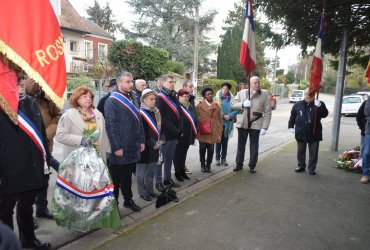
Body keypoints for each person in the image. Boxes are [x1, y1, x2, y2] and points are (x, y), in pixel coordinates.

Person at [0, 75, 51, 249]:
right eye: (17, 80)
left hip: (32, 165)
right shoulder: (1, 103)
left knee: (27, 206)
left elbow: (41, 133)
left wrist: (46, 161)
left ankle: (28, 240)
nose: (22, 83)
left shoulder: (31, 102)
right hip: (8, 170)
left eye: (23, 79)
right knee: (5, 211)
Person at [104, 71, 145, 212]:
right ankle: (113, 207)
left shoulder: (132, 97)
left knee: (127, 177)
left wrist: (141, 140)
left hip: (132, 145)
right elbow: (111, 125)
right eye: (128, 81)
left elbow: (138, 120)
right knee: (116, 179)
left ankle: (128, 200)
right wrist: (116, 146)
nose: (131, 84)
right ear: (119, 83)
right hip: (120, 147)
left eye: (132, 81)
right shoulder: (111, 100)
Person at [25, 79, 61, 221]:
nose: (37, 85)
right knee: (27, 184)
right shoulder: (19, 98)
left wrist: (46, 135)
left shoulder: (47, 99)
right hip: (25, 148)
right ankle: (27, 217)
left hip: (45, 146)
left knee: (44, 179)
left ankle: (42, 209)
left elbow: (57, 117)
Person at [56, 86, 111, 162]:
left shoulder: (98, 114)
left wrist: (107, 151)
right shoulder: (69, 115)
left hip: (97, 157)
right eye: (85, 96)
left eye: (90, 97)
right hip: (77, 160)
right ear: (77, 98)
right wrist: (80, 140)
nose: (88, 99)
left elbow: (104, 133)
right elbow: (60, 136)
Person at [231, 76, 272, 173]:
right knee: (241, 145)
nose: (257, 84)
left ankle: (252, 165)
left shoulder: (264, 95)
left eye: (258, 82)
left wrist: (265, 127)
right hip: (243, 123)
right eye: (255, 83)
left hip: (256, 122)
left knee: (254, 145)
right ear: (250, 84)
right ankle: (239, 164)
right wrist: (243, 104)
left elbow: (268, 112)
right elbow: (233, 105)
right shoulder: (242, 93)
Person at [288, 88, 328, 175]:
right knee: (301, 151)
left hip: (314, 132)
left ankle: (312, 168)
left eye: (310, 95)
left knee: (313, 152)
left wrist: (320, 106)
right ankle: (301, 166)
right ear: (304, 94)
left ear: (314, 95)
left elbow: (325, 114)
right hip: (301, 131)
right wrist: (290, 126)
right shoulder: (298, 104)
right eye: (307, 94)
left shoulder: (318, 104)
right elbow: (292, 116)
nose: (308, 97)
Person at [155, 74, 182, 191]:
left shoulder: (173, 96)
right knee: (160, 160)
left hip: (174, 134)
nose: (172, 84)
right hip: (164, 134)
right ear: (163, 82)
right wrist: (175, 130)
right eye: (170, 82)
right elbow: (162, 117)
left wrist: (180, 128)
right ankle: (158, 182)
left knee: (169, 159)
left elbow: (179, 113)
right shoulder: (159, 98)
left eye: (173, 82)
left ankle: (167, 179)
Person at [137, 89, 163, 201]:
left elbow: (160, 128)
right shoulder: (140, 113)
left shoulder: (155, 112)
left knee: (151, 171)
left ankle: (150, 190)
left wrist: (161, 140)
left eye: (154, 99)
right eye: (151, 99)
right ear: (143, 100)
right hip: (144, 148)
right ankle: (142, 193)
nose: (153, 101)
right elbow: (141, 132)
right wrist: (153, 143)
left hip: (155, 148)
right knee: (141, 173)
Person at [196, 87, 222, 173]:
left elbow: (219, 118)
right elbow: (195, 118)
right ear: (204, 96)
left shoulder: (217, 105)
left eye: (211, 94)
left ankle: (208, 164)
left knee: (211, 149)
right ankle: (202, 165)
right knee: (202, 148)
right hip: (202, 131)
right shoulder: (199, 105)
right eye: (208, 94)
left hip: (213, 131)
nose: (210, 96)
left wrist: (219, 129)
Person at [174, 89, 198, 181]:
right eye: (185, 96)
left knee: (184, 154)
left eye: (188, 96)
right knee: (178, 155)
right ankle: (177, 172)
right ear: (179, 97)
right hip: (180, 135)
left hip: (189, 134)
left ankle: (182, 171)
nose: (187, 98)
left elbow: (194, 119)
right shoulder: (177, 106)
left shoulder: (190, 106)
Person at [214, 82, 237, 166]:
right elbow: (214, 109)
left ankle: (223, 159)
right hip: (219, 123)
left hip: (227, 124)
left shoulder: (232, 99)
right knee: (218, 141)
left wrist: (230, 116)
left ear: (228, 90)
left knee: (225, 142)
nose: (224, 90)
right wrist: (223, 115)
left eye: (226, 89)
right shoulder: (216, 98)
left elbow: (236, 109)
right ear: (221, 88)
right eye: (223, 88)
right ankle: (217, 158)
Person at [182, 80, 196, 174]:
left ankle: (182, 166)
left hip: (190, 130)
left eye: (192, 87)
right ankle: (180, 168)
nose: (192, 88)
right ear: (184, 88)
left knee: (185, 150)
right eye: (190, 87)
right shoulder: (181, 98)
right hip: (183, 130)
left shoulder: (191, 98)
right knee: (180, 151)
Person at [360, 98, 370, 184]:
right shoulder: (368, 101)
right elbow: (366, 112)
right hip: (369, 131)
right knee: (366, 152)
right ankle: (366, 174)